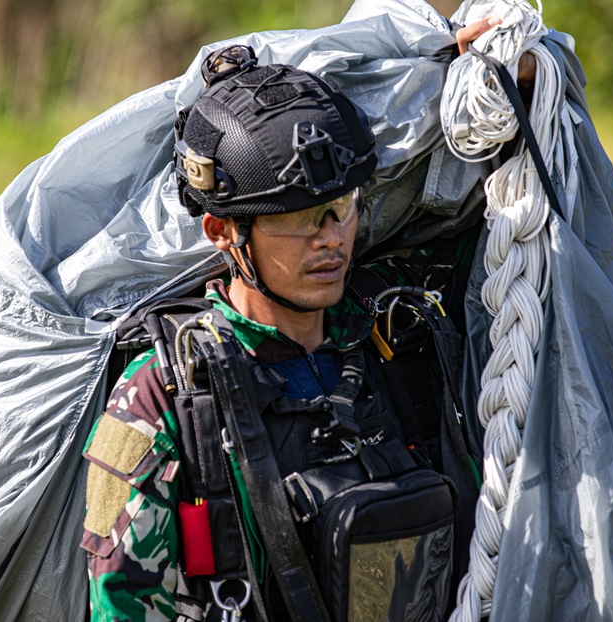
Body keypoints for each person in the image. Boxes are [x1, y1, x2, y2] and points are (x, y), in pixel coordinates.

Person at [80, 42, 493, 621]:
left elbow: (507, 229)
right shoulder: (161, 397)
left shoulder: (396, 330)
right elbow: (120, 606)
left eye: (341, 206)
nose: (330, 238)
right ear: (223, 231)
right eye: (297, 220)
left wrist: (484, 68)